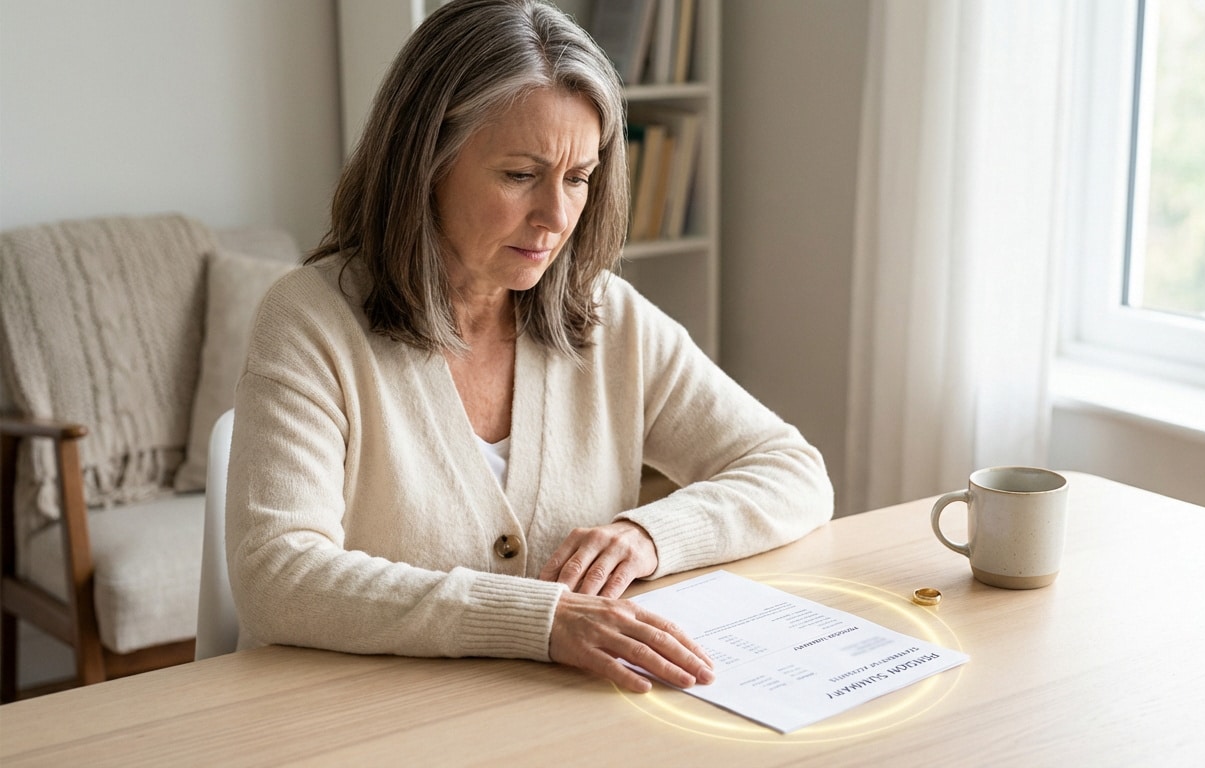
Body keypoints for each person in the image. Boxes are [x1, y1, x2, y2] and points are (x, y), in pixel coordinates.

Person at [225, 0, 833, 694]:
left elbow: (792, 472)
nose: (556, 217)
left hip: (551, 714)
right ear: (424, 162)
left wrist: (649, 535)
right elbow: (276, 574)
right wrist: (538, 621)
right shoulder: (308, 320)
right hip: (356, 715)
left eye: (578, 178)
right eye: (520, 175)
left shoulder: (605, 314)